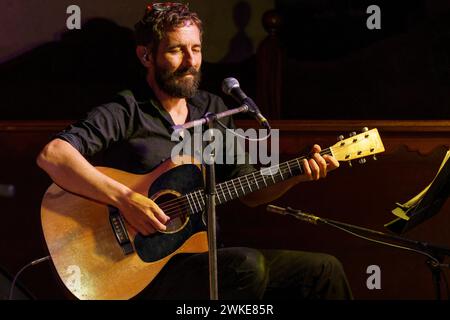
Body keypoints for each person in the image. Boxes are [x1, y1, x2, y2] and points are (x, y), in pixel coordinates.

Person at [37, 2, 353, 300]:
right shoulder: (127, 110)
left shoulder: (212, 110)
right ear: (146, 56)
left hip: (200, 259)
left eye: (196, 49)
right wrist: (126, 199)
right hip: (138, 267)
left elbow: (249, 189)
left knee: (324, 271)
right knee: (245, 266)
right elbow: (53, 154)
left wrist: (296, 174)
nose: (191, 61)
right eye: (177, 50)